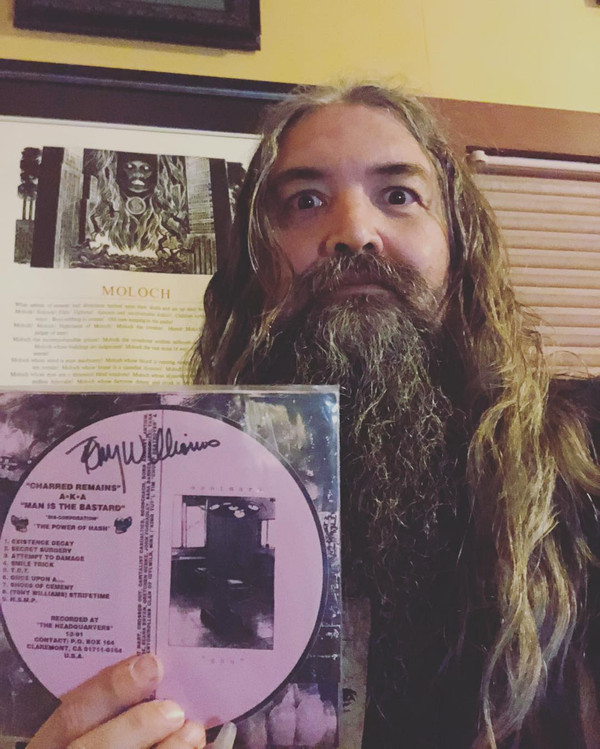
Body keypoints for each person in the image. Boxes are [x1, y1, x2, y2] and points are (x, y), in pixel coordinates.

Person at [29, 83, 600, 748]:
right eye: (305, 201)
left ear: (460, 245)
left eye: (399, 195)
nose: (354, 232)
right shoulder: (172, 493)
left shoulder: (584, 455)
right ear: (255, 268)